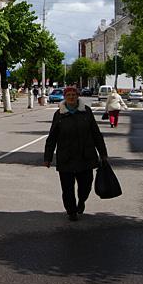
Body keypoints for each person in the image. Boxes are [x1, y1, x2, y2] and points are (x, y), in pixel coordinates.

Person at [44, 86, 108, 221]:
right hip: (66, 157)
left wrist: (103, 153)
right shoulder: (59, 114)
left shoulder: (86, 112)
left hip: (85, 156)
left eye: (74, 94)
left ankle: (82, 201)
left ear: (78, 96)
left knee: (86, 186)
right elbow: (52, 137)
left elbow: (96, 134)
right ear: (65, 97)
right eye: (69, 95)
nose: (71, 97)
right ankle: (71, 211)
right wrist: (48, 157)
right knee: (67, 189)